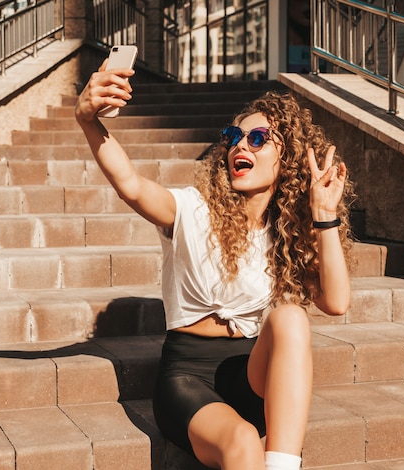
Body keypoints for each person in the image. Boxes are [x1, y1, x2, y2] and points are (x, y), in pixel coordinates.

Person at [75, 60, 354, 470]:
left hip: (250, 373)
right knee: (242, 441)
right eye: (233, 137)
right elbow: (131, 184)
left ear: (287, 157)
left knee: (291, 318)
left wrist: (323, 215)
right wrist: (88, 121)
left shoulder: (286, 233)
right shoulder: (192, 210)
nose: (241, 146)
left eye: (258, 138)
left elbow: (337, 303)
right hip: (188, 378)